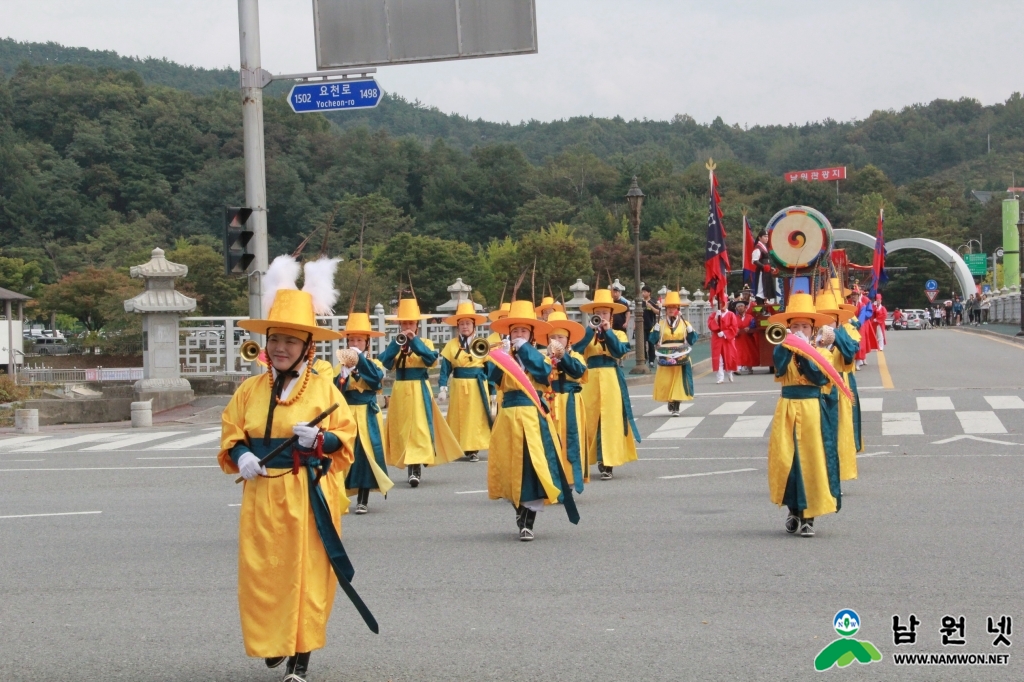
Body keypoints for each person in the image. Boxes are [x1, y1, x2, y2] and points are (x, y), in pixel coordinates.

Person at [219, 255, 360, 681]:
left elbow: (346, 440)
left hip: (307, 491)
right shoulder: (248, 389)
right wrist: (241, 454)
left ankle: (300, 657)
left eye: (291, 341)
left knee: (307, 576)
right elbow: (231, 432)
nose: (280, 348)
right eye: (275, 339)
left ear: (307, 346)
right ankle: (273, 639)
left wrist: (318, 440)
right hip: (261, 494)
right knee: (264, 573)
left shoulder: (322, 388)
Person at [486, 300, 579, 541]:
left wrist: (523, 349)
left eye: (523, 332)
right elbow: (492, 377)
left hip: (532, 416)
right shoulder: (503, 355)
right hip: (507, 417)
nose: (518, 335)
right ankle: (520, 510)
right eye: (515, 331)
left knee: (533, 466)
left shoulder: (540, 356)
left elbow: (541, 373)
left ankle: (528, 522)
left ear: (531, 336)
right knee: (510, 467)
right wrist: (502, 355)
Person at [766, 293, 841, 538]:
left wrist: (806, 350)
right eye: (795, 326)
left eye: (805, 326)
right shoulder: (782, 349)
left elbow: (818, 378)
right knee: (788, 461)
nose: (800, 330)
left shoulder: (824, 353)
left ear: (813, 329)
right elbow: (779, 366)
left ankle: (809, 516)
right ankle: (793, 510)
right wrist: (790, 344)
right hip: (787, 407)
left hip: (811, 410)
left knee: (812, 461)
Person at [379, 297, 463, 487]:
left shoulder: (425, 341)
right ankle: (409, 461)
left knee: (419, 427)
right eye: (404, 323)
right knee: (402, 428)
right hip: (400, 389)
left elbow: (431, 360)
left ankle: (415, 466)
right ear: (399, 325)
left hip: (419, 387)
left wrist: (414, 341)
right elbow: (386, 362)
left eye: (411, 322)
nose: (407, 326)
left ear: (417, 324)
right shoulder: (396, 342)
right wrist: (397, 344)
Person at [578, 288, 640, 480]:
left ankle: (607, 462)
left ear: (611, 315)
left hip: (611, 377)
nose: (601, 316)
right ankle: (582, 459)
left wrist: (608, 332)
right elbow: (577, 350)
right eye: (598, 313)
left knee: (610, 419)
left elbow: (620, 351)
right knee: (589, 418)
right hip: (590, 379)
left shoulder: (618, 334)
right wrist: (590, 331)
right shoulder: (585, 333)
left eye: (605, 313)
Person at [335, 311, 393, 515]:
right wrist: (343, 375)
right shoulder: (340, 365)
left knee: (365, 454)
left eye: (359, 340)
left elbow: (375, 380)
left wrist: (359, 360)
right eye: (351, 339)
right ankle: (339, 494)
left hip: (367, 412)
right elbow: (335, 391)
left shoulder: (374, 363)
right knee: (343, 451)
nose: (355, 343)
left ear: (367, 343)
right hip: (347, 412)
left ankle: (363, 498)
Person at [539, 310, 591, 492]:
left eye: (560, 337)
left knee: (570, 440)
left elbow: (577, 371)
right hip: (549, 401)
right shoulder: (543, 357)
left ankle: (569, 479)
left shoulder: (575, 356)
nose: (556, 341)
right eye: (552, 337)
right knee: (549, 440)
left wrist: (562, 356)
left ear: (568, 340)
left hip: (569, 402)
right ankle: (550, 478)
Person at [438, 302, 492, 463]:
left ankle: (473, 449)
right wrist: (442, 387)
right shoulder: (451, 345)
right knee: (458, 416)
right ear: (457, 326)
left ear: (474, 325)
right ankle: (457, 447)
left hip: (477, 385)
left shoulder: (482, 343)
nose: (465, 327)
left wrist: (493, 392)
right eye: (461, 324)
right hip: (458, 384)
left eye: (468, 323)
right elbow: (445, 368)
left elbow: (489, 369)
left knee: (475, 417)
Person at [816, 289, 861, 481]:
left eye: (830, 320)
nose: (826, 324)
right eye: (822, 319)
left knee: (838, 432)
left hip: (837, 388)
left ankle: (836, 474)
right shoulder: (810, 338)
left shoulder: (844, 336)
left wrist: (836, 336)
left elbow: (851, 352)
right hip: (816, 391)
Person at [649, 290, 698, 416]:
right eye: (669, 308)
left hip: (680, 355)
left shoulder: (685, 323)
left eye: (674, 307)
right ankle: (670, 400)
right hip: (666, 355)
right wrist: (656, 330)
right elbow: (652, 340)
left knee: (679, 382)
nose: (671, 310)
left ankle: (676, 404)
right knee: (666, 381)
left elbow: (692, 340)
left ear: (678, 309)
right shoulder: (660, 324)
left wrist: (690, 329)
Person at [707, 299, 738, 383]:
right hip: (717, 338)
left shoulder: (731, 315)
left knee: (728, 357)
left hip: (727, 339)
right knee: (718, 358)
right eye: (720, 303)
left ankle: (730, 373)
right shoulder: (714, 314)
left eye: (723, 303)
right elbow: (710, 325)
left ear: (726, 304)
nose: (721, 305)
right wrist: (716, 319)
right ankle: (720, 377)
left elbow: (734, 327)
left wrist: (724, 333)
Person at [749, 230, 777, 303]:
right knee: (761, 291)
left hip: (766, 271)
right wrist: (763, 267)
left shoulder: (764, 247)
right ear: (759, 237)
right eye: (765, 236)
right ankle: (760, 309)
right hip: (762, 272)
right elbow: (755, 260)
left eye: (767, 236)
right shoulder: (758, 247)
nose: (766, 238)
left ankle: (764, 309)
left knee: (766, 291)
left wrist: (770, 268)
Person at [733, 299, 759, 374]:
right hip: (738, 338)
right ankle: (738, 368)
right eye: (738, 307)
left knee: (748, 352)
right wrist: (735, 329)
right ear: (736, 308)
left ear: (745, 308)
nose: (740, 308)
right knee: (738, 352)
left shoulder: (750, 317)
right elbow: (731, 326)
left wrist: (749, 327)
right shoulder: (734, 317)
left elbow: (754, 324)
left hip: (747, 338)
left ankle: (749, 367)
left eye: (742, 306)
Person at [641, 285, 660, 368]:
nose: (643, 293)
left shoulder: (653, 301)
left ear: (649, 293)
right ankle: (644, 358)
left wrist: (651, 307)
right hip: (641, 326)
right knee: (642, 344)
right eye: (642, 292)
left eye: (645, 292)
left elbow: (658, 312)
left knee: (651, 343)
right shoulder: (641, 302)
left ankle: (651, 360)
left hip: (651, 325)